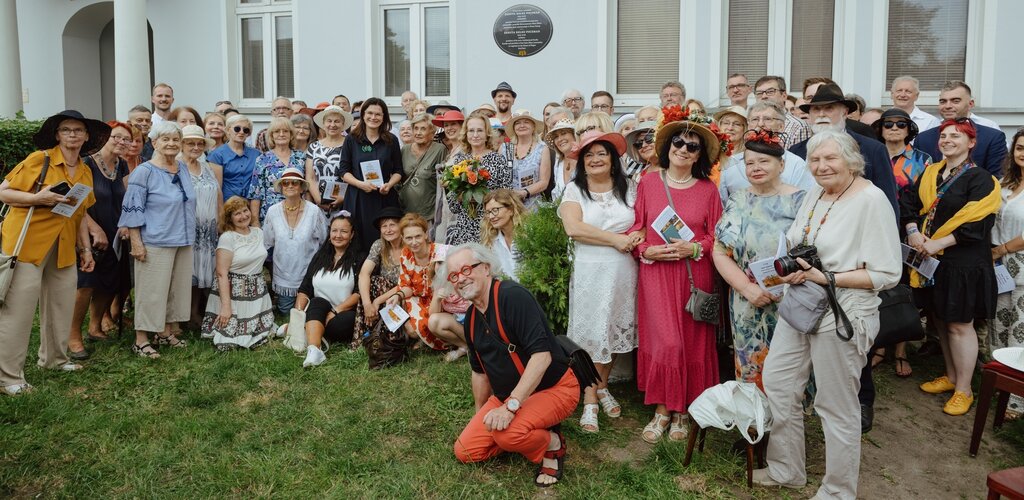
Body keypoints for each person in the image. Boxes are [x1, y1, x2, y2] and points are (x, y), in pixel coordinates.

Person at [755, 130, 902, 499]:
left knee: (835, 406)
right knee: (778, 382)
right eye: (815, 160)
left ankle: (838, 491)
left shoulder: (871, 200)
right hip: (801, 305)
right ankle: (786, 470)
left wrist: (829, 276)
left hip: (844, 314)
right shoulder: (817, 194)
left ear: (852, 161)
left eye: (830, 159)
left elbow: (886, 273)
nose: (821, 166)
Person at [449, 243, 578, 488]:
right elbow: (479, 373)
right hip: (505, 396)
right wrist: (482, 415)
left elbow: (542, 357)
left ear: (486, 268)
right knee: (466, 451)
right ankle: (523, 431)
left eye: (467, 270)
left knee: (507, 434)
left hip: (555, 388)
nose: (461, 279)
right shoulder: (471, 320)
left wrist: (511, 408)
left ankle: (552, 442)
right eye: (454, 275)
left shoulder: (512, 296)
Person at [626, 116, 722, 443]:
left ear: (699, 156)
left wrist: (695, 246)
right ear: (667, 148)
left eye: (691, 146)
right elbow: (636, 228)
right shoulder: (648, 183)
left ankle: (684, 410)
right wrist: (645, 252)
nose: (683, 149)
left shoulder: (709, 190)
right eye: (678, 143)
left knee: (693, 343)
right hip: (657, 274)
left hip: (695, 274)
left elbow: (716, 236)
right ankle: (663, 408)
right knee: (666, 342)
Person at [0, 110, 106, 392]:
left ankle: (55, 359)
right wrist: (37, 198)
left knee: (61, 306)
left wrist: (85, 249)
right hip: (28, 245)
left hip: (63, 246)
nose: (73, 135)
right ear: (57, 135)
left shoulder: (84, 170)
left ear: (86, 136)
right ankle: (9, 378)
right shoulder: (40, 160)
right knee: (18, 312)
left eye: (78, 130)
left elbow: (80, 213)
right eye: (66, 130)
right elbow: (4, 192)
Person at [904, 119, 1000, 416]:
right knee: (941, 320)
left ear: (971, 143)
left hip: (964, 263)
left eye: (955, 136)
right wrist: (912, 231)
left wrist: (938, 242)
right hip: (932, 262)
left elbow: (978, 223)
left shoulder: (982, 179)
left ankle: (964, 389)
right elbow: (908, 202)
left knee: (960, 324)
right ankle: (950, 376)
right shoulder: (930, 173)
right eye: (944, 136)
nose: (947, 140)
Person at [559, 131, 640, 433]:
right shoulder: (574, 190)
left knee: (616, 327)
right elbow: (573, 228)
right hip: (591, 270)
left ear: (612, 159)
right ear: (582, 161)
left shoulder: (629, 188)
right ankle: (590, 400)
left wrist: (636, 237)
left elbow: (642, 222)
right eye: (588, 155)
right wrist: (615, 240)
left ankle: (602, 385)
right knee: (591, 333)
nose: (595, 159)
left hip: (623, 270)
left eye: (601, 154)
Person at [713, 130, 806, 389]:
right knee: (750, 364)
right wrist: (746, 288)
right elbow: (720, 252)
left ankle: (786, 423)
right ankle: (754, 422)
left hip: (791, 297)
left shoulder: (801, 201)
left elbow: (813, 250)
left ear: (782, 164)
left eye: (764, 161)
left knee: (790, 368)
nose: (756, 168)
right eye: (750, 163)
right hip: (748, 300)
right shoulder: (739, 199)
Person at [118, 121, 197, 359]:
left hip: (183, 238)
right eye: (165, 139)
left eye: (175, 139)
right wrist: (136, 242)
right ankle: (141, 339)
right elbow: (132, 209)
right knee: (151, 291)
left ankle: (164, 332)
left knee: (175, 289)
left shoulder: (182, 168)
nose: (171, 144)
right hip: (155, 239)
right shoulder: (145, 172)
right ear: (154, 143)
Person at [66, 120, 132, 360]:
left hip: (116, 233)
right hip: (89, 233)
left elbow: (127, 199)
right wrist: (95, 229)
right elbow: (75, 203)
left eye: (126, 139)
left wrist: (126, 225)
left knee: (109, 281)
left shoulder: (122, 165)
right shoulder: (86, 164)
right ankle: (73, 335)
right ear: (106, 137)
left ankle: (95, 327)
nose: (121, 142)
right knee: (86, 284)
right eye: (117, 136)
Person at [789, 84, 899, 216]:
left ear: (845, 112)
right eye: (816, 109)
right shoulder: (796, 151)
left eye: (829, 108)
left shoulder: (873, 149)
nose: (821, 114)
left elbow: (888, 203)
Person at [201, 196, 274, 350]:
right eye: (237, 214)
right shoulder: (228, 238)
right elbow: (221, 274)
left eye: (245, 211)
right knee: (230, 338)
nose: (243, 216)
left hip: (257, 289)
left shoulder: (258, 233)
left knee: (263, 330)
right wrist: (226, 307)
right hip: (234, 291)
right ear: (230, 219)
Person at [296, 215, 363, 367]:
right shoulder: (320, 256)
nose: (338, 235)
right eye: (334, 231)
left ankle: (308, 329)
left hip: (343, 313)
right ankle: (315, 351)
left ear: (352, 234)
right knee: (317, 302)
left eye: (344, 231)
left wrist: (335, 311)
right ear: (329, 233)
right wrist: (298, 316)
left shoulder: (360, 258)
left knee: (347, 322)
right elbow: (305, 288)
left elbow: (359, 293)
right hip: (317, 309)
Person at [990, 128, 1024, 419]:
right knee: (998, 324)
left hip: (1019, 260)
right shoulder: (1004, 183)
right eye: (1020, 148)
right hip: (999, 266)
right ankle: (998, 386)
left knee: (1020, 330)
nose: (1023, 153)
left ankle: (1017, 400)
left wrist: (1000, 249)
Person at [263, 168, 328, 315]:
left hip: (309, 275)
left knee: (306, 314)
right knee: (287, 313)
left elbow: (324, 241)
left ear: (301, 187)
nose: (290, 186)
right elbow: (266, 242)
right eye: (285, 183)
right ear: (281, 188)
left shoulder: (314, 211)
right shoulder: (273, 212)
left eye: (295, 183)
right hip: (283, 277)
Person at [720, 101, 815, 200]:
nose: (760, 124)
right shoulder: (731, 165)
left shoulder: (796, 164)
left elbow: (804, 202)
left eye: (768, 119)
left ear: (781, 126)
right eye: (755, 119)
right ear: (748, 125)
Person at [340, 98, 404, 244]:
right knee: (358, 240)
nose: (373, 117)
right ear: (363, 115)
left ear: (384, 117)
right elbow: (343, 171)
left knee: (385, 239)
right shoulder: (351, 139)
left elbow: (398, 170)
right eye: (369, 113)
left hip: (384, 197)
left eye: (378, 114)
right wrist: (360, 184)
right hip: (358, 197)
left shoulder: (391, 140)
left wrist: (389, 184)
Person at [445, 114, 515, 245]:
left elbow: (508, 195)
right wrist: (462, 196)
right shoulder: (459, 161)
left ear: (487, 133)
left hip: (491, 225)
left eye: (480, 130)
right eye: (471, 131)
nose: (475, 135)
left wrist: (484, 197)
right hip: (465, 227)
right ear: (466, 134)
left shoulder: (498, 160)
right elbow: (453, 205)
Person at [915, 81, 1008, 177]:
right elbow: (917, 177)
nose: (948, 106)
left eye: (955, 101)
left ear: (971, 104)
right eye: (943, 101)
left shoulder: (992, 138)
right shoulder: (923, 139)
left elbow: (998, 177)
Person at [180, 125, 223, 328]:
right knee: (186, 273)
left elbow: (218, 194)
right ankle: (180, 316)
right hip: (187, 229)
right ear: (181, 145)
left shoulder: (207, 167)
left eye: (199, 143)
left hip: (209, 231)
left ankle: (194, 312)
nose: (196, 147)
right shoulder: (176, 166)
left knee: (202, 272)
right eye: (190, 143)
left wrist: (221, 221)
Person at [386, 214, 447, 350]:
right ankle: (424, 338)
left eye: (418, 236)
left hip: (442, 298)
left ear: (426, 234)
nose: (414, 242)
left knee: (422, 324)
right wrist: (397, 295)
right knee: (411, 329)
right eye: (409, 238)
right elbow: (407, 286)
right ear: (402, 238)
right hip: (419, 299)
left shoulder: (440, 251)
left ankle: (435, 339)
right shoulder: (405, 254)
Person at [358, 207, 404, 338]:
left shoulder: (409, 246)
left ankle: (388, 336)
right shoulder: (379, 245)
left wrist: (377, 301)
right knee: (373, 282)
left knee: (380, 284)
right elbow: (364, 274)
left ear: (401, 226)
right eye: (384, 226)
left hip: (405, 292)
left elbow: (406, 284)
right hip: (384, 291)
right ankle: (367, 335)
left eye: (392, 225)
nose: (388, 230)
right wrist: (367, 304)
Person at [248, 117, 304, 226]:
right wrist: (255, 222)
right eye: (277, 131)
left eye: (285, 131)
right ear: (271, 136)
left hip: (297, 213)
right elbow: (256, 192)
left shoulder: (301, 157)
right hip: (270, 214)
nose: (281, 134)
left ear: (291, 135)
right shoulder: (262, 159)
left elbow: (306, 189)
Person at [400, 113, 447, 221]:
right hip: (405, 210)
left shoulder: (439, 150)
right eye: (415, 128)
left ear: (432, 132)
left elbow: (443, 180)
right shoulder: (405, 150)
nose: (418, 133)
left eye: (423, 129)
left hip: (430, 212)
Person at [306, 105, 352, 213]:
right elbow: (310, 177)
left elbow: (355, 174)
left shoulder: (351, 145)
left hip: (345, 201)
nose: (332, 125)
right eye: (329, 121)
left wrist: (343, 198)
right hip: (318, 204)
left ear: (343, 124)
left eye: (337, 121)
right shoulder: (313, 147)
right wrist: (318, 200)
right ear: (323, 123)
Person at [502, 110, 550, 209]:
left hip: (532, 206)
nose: (522, 125)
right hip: (507, 204)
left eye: (526, 122)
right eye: (518, 123)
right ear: (514, 128)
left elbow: (544, 182)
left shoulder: (542, 148)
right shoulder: (504, 148)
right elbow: (499, 177)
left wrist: (524, 193)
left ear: (533, 127)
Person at [207, 114, 259, 200]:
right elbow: (217, 188)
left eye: (245, 130)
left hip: (250, 205)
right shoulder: (216, 155)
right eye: (237, 129)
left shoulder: (257, 155)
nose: (241, 132)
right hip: (227, 205)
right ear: (228, 130)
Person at [753, 75, 812, 149]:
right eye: (759, 93)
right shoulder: (751, 124)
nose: (764, 96)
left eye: (770, 91)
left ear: (784, 96)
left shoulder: (798, 126)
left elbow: (798, 158)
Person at [480, 189, 526, 280]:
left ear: (511, 210)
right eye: (488, 212)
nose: (491, 217)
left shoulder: (529, 234)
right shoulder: (491, 242)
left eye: (495, 210)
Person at [546, 118, 577, 200]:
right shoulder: (558, 164)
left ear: (574, 135)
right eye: (556, 137)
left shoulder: (585, 160)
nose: (559, 139)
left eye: (563, 133)